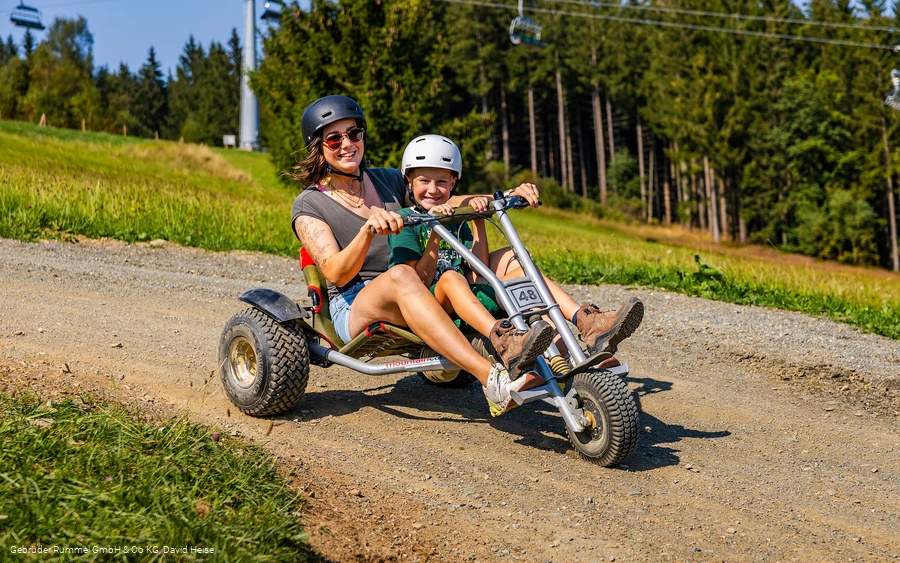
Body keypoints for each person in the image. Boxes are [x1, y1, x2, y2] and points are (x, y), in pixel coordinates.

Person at [290, 95, 544, 416]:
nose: (347, 144)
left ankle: (563, 347)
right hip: (357, 303)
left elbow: (437, 199)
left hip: (419, 287)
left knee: (507, 258)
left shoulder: (387, 180)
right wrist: (367, 231)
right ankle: (490, 379)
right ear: (318, 146)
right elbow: (336, 273)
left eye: (354, 134)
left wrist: (500, 197)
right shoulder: (309, 204)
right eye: (334, 138)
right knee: (401, 275)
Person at [388, 134, 554, 381]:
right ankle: (501, 339)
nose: (433, 189)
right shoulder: (405, 220)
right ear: (409, 181)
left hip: (464, 302)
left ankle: (564, 349)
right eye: (424, 180)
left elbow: (478, 272)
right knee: (452, 277)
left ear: (453, 182)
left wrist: (478, 221)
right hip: (431, 308)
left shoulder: (456, 219)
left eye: (442, 181)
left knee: (522, 266)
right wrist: (435, 230)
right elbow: (417, 284)